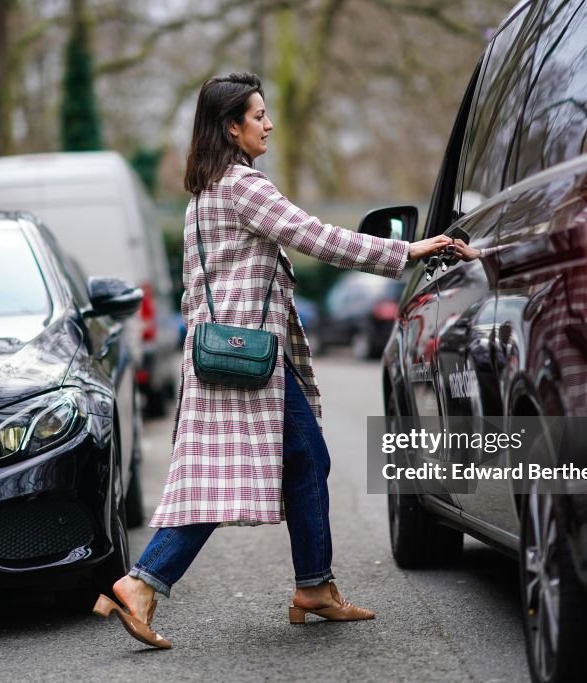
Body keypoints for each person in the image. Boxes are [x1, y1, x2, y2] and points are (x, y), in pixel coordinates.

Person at [92, 72, 454, 649]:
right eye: (258, 115)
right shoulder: (242, 187)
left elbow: (198, 289)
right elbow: (318, 238)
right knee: (226, 478)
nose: (269, 124)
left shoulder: (203, 193)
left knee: (303, 458)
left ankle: (313, 585)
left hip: (227, 355)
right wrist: (406, 250)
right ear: (231, 127)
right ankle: (142, 583)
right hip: (249, 360)